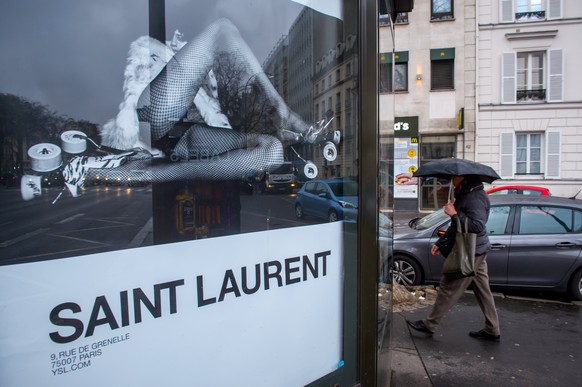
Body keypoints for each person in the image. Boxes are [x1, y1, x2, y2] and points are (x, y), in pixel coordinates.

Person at [406, 175, 501, 341]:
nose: (451, 180)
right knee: (483, 291)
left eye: (454, 177)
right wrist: (441, 242)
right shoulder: (466, 193)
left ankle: (430, 324)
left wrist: (454, 214)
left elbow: (477, 226)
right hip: (477, 248)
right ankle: (492, 329)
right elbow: (455, 226)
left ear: (463, 177)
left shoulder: (474, 197)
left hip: (471, 250)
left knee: (448, 286)